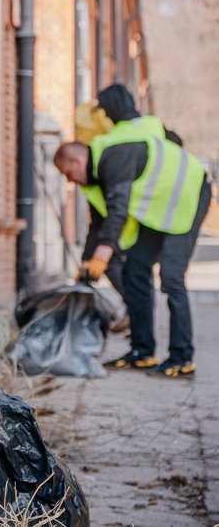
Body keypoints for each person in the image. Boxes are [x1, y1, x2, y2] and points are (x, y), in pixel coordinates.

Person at [54, 126, 212, 378]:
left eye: (68, 173)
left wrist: (101, 258)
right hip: (162, 208)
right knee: (134, 269)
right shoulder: (95, 181)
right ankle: (142, 352)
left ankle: (182, 357)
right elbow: (99, 225)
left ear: (76, 160)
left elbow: (118, 212)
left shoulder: (113, 159)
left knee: (171, 278)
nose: (69, 181)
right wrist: (86, 264)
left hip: (188, 195)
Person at [88, 84, 185, 335]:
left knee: (139, 272)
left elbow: (117, 199)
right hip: (160, 205)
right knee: (136, 270)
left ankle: (141, 326)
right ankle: (140, 330)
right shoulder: (154, 125)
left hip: (144, 210)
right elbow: (177, 144)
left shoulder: (116, 139)